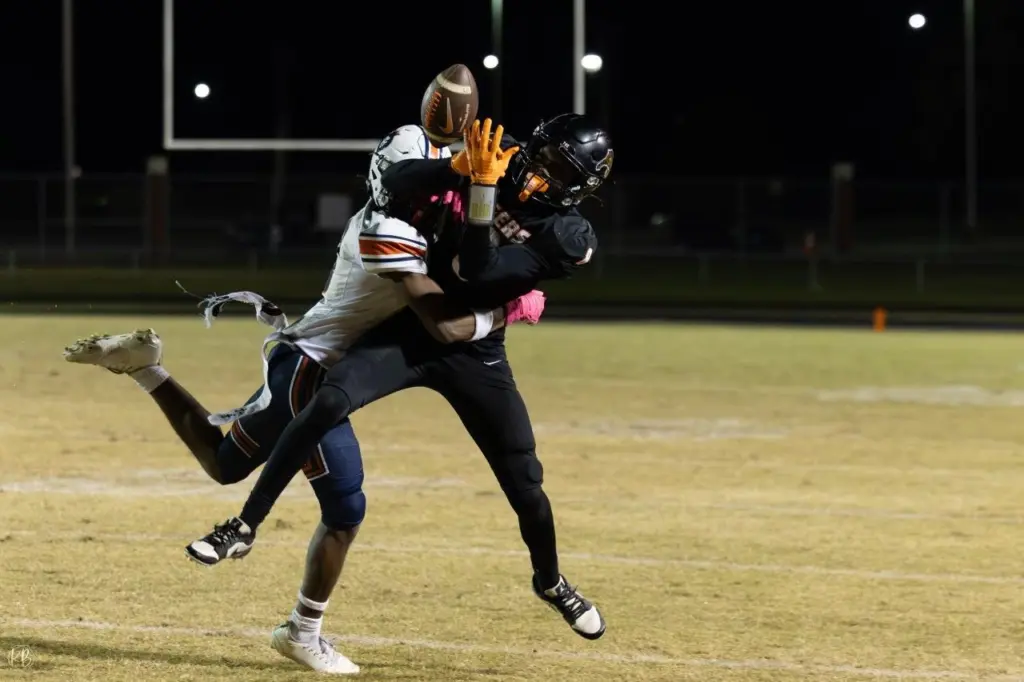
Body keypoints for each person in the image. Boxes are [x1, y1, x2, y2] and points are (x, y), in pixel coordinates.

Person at [63, 115, 544, 674]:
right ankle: (301, 631)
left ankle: (147, 370)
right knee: (346, 509)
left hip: (301, 360)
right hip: (314, 372)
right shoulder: (391, 230)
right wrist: (507, 305)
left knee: (225, 464)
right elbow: (444, 312)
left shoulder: (403, 215)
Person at [187, 115, 615, 641]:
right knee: (328, 401)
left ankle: (550, 582)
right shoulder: (497, 155)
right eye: (542, 155)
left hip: (474, 348)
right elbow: (396, 181)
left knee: (524, 479)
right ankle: (244, 524)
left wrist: (481, 188)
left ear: (579, 186)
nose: (538, 171)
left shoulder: (567, 235)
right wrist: (458, 168)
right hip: (412, 329)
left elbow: (475, 271)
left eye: (557, 170)